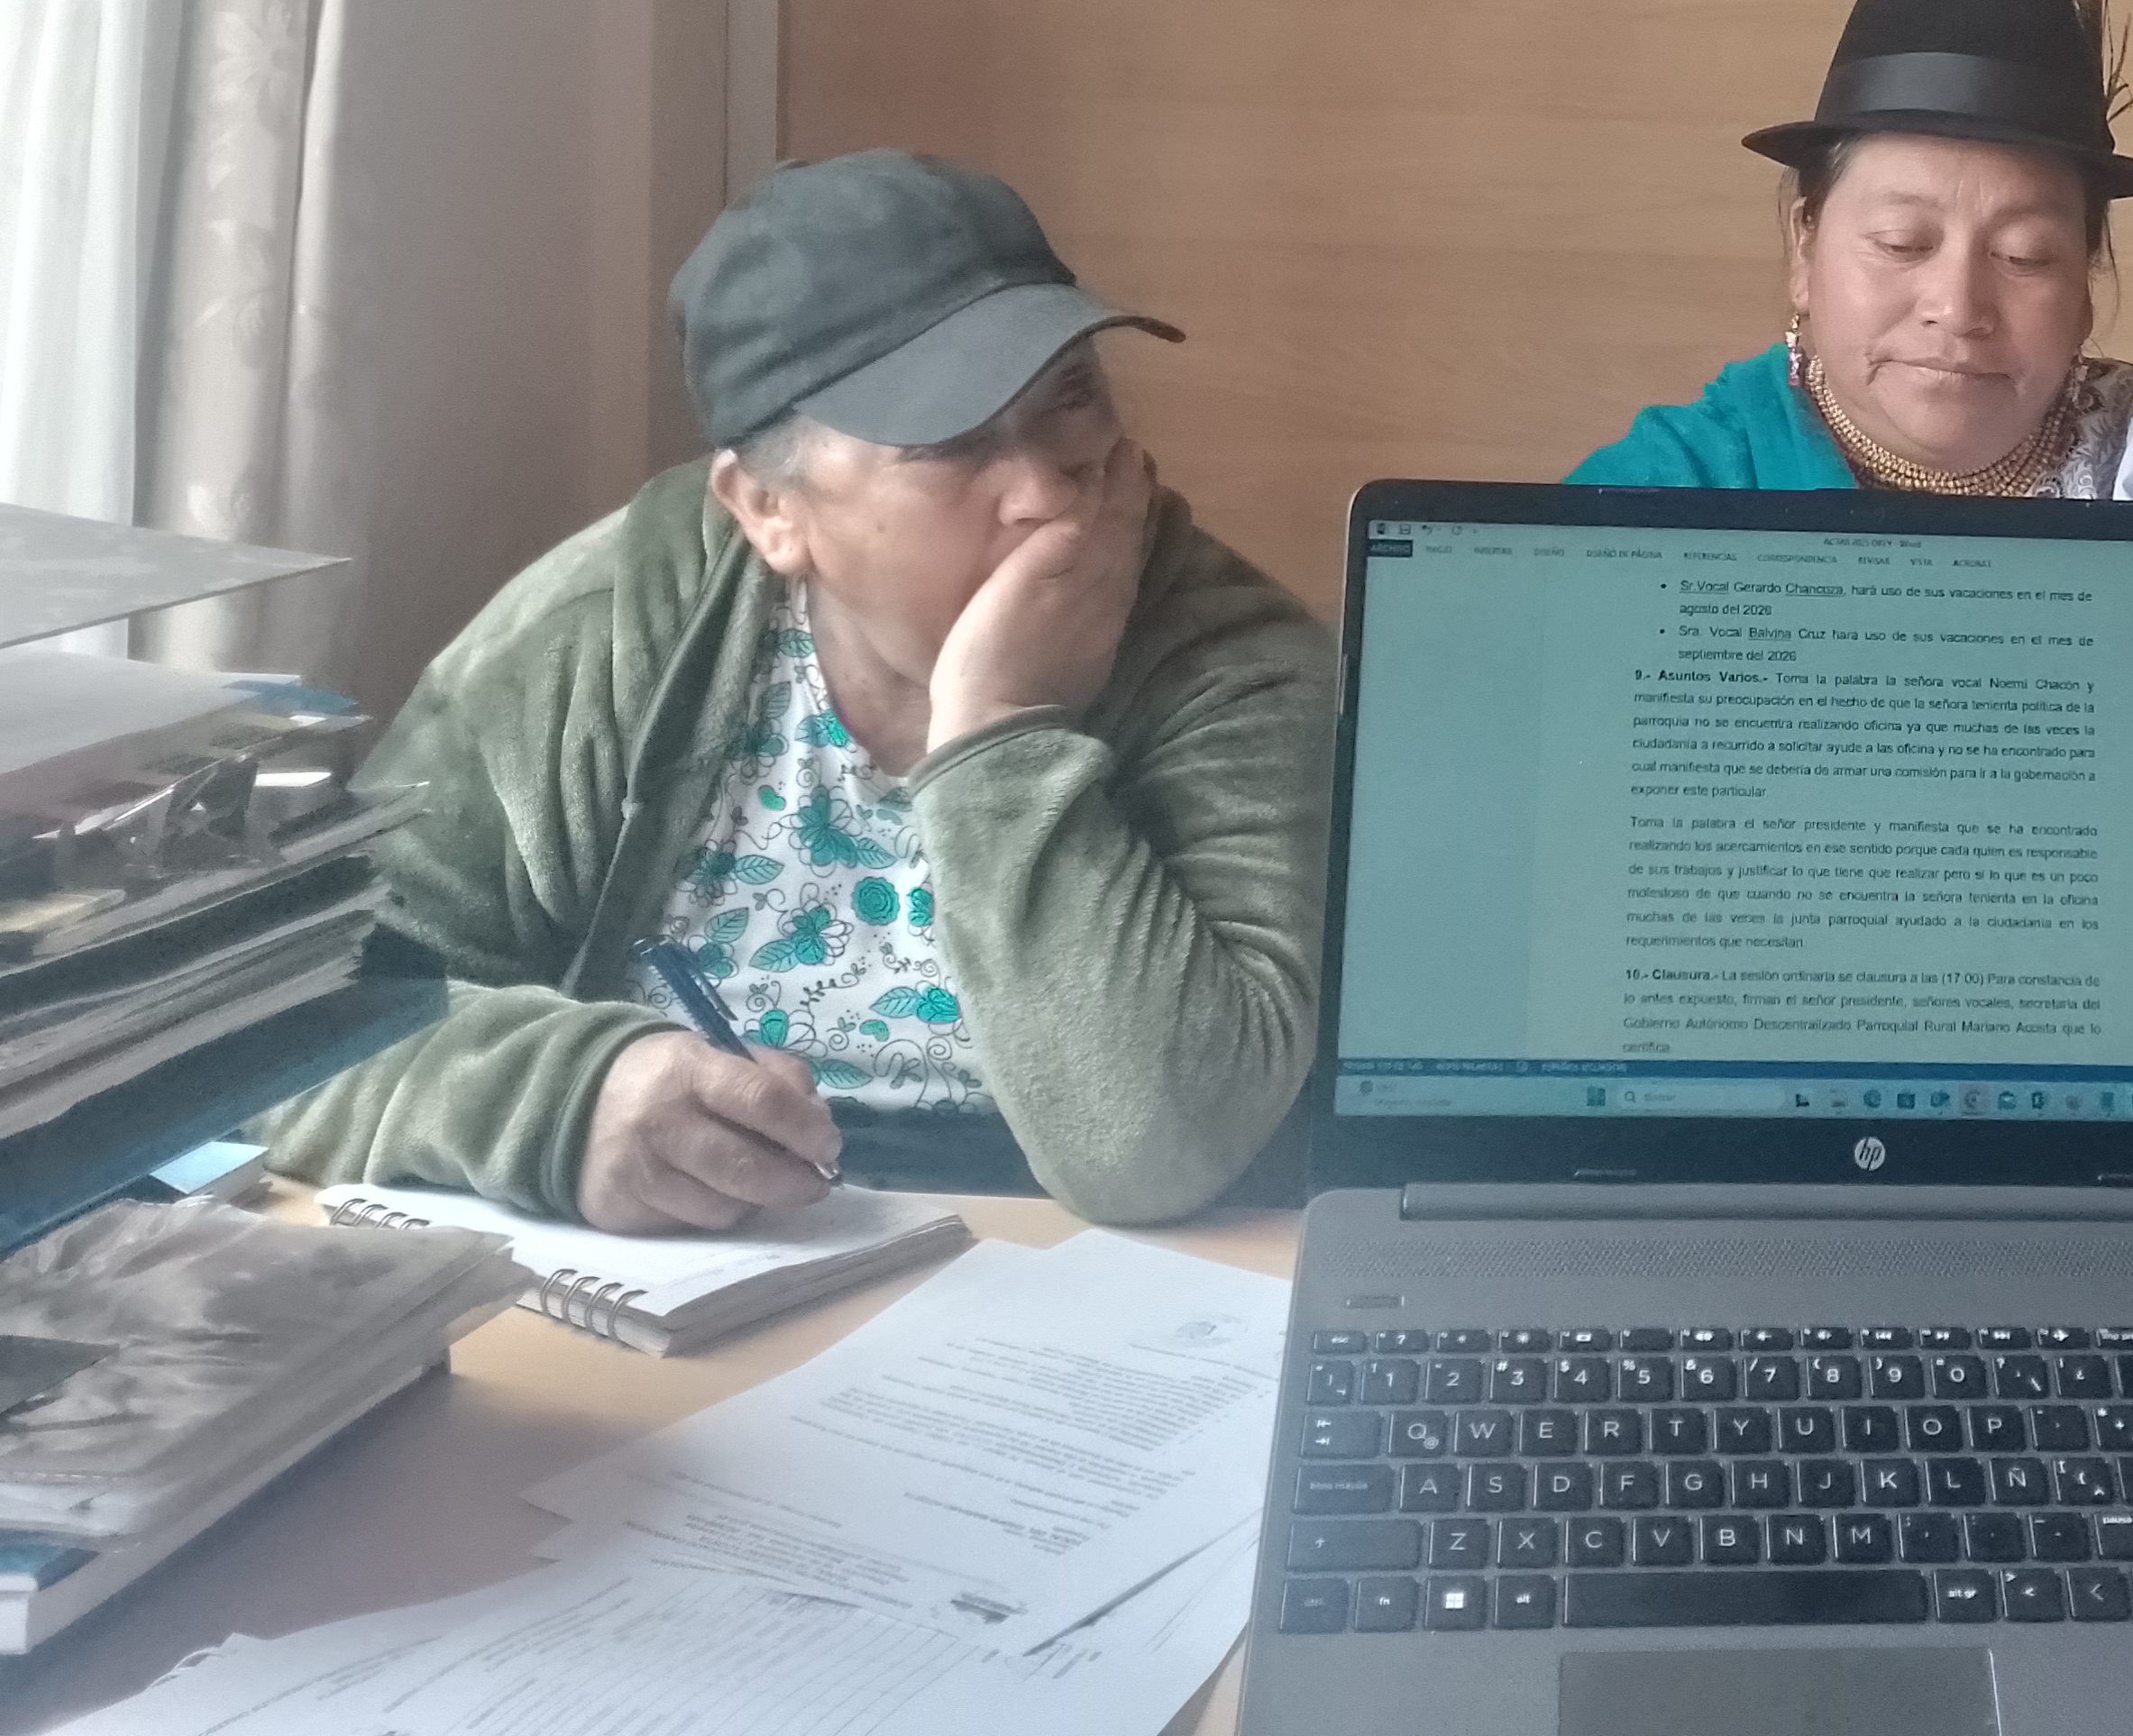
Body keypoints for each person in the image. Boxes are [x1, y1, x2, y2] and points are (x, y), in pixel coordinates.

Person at [266, 151, 1333, 1233]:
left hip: (1093, 1277)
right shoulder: (608, 631)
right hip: (701, 1271)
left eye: (1070, 398)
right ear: (769, 509)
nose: (1046, 491)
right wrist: (564, 1101)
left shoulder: (1229, 659)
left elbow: (1159, 1151)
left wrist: (1005, 736)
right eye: (954, 442)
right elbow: (280, 1026)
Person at [1572, 0, 2133, 503]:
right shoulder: (1666, 493)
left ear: (2085, 285)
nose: (1958, 310)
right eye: (1902, 243)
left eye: (2023, 256)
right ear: (1805, 249)